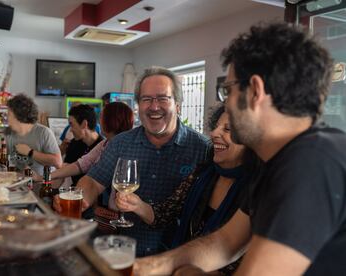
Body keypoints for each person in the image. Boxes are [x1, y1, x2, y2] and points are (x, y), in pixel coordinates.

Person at [134, 22, 346, 276]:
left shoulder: (310, 163)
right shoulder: (277, 162)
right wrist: (142, 268)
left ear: (255, 91)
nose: (227, 105)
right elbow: (225, 242)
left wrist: (187, 273)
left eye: (228, 90)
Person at [55, 66, 210, 256]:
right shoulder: (121, 143)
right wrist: (82, 198)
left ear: (178, 105)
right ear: (138, 105)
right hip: (125, 252)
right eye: (146, 99)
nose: (154, 106)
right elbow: (93, 182)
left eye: (163, 98)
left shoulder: (202, 149)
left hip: (177, 258)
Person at [115, 103, 261, 263]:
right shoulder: (202, 174)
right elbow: (165, 214)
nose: (213, 133)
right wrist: (137, 205)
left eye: (227, 129)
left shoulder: (258, 189)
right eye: (217, 126)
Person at [34, 102, 134, 187]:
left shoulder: (126, 147)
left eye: (102, 117)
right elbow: (80, 165)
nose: (99, 121)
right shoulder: (104, 144)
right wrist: (44, 177)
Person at [0, 94, 62, 176]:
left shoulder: (44, 133)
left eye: (8, 114)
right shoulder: (7, 133)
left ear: (18, 115)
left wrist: (30, 152)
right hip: (13, 183)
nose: (6, 118)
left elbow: (58, 162)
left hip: (39, 185)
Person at [60, 104, 103, 185]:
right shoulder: (74, 143)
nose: (70, 130)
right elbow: (63, 170)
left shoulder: (103, 148)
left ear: (84, 124)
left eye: (72, 125)